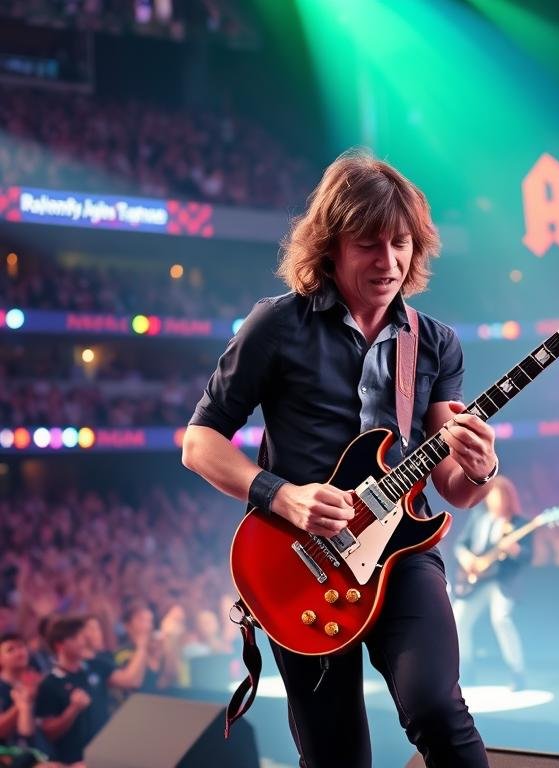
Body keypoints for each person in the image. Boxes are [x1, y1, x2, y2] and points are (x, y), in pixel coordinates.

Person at [182, 149, 497, 768]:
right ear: (330, 247)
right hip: (302, 561)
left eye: (401, 244)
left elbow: (455, 488)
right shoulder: (277, 324)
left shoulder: (434, 342)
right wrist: (282, 495)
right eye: (368, 245)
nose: (389, 262)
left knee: (438, 708)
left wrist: (481, 465)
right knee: (336, 754)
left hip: (401, 552)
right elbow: (200, 442)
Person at [452, 476, 531, 690]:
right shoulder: (479, 518)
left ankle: (517, 672)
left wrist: (516, 551)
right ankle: (466, 671)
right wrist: (467, 558)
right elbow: (460, 544)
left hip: (501, 581)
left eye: (498, 497)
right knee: (458, 620)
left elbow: (528, 556)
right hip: (476, 582)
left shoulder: (519, 523)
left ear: (508, 498)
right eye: (491, 497)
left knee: (501, 619)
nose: (494, 501)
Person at [35, 617, 113, 764]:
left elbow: (130, 681)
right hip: (75, 761)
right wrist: (73, 709)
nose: (83, 642)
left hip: (107, 754)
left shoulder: (93, 668)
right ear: (60, 645)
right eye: (76, 638)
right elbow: (49, 732)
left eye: (82, 637)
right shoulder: (50, 684)